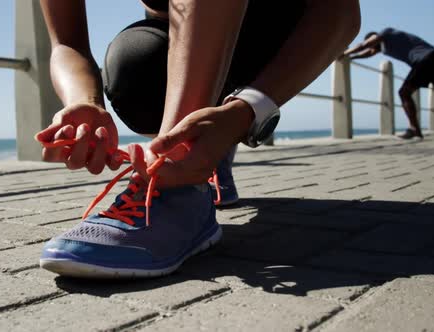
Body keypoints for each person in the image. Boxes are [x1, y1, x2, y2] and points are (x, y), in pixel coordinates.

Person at [36, 0, 361, 278]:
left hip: (277, 39)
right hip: (180, 46)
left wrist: (249, 109)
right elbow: (67, 44)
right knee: (134, 65)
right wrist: (85, 102)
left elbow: (341, 12)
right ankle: (200, 149)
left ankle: (178, 186)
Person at [342, 27, 434, 140]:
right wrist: (352, 57)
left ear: (374, 38)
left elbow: (365, 45)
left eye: (372, 44)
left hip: (425, 59)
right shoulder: (385, 46)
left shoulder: (386, 32)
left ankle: (415, 129)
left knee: (404, 92)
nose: (373, 48)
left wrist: (344, 53)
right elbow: (369, 53)